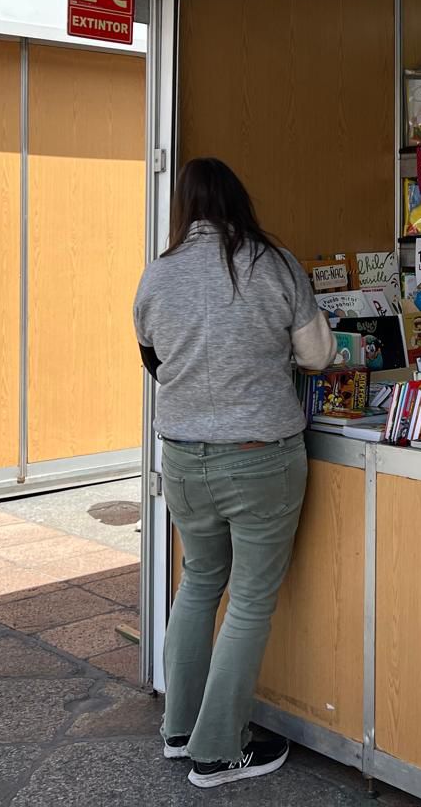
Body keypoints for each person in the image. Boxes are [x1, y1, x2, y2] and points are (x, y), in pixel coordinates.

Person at [133, 157, 335, 788]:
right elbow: (318, 355)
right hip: (259, 458)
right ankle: (218, 750)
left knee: (197, 584)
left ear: (186, 209)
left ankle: (180, 728)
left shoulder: (158, 275)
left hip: (184, 456)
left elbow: (153, 358)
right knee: (248, 602)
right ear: (238, 202)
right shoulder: (272, 265)